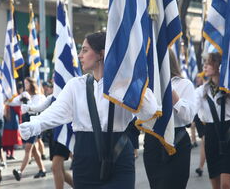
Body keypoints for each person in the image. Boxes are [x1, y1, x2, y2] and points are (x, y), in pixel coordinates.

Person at [19, 32, 159, 188]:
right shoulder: (75, 86)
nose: (80, 55)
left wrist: (130, 80)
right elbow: (57, 111)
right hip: (85, 158)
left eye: (85, 50)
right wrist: (36, 124)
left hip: (119, 155)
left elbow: (149, 111)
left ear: (101, 54)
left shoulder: (124, 84)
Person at [143, 50, 197, 189]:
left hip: (177, 139)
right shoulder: (146, 86)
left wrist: (169, 91)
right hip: (153, 139)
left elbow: (188, 117)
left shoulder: (184, 84)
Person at [195, 53, 230, 189]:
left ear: (219, 66)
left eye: (209, 63)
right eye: (204, 63)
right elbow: (193, 110)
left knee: (226, 185)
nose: (205, 66)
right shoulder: (201, 90)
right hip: (211, 135)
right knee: (216, 185)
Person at [10, 77, 47, 181]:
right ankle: (42, 169)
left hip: (34, 124)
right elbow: (11, 102)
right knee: (34, 151)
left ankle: (20, 171)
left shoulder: (39, 96)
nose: (25, 85)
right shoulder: (24, 95)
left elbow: (42, 107)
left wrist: (29, 103)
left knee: (28, 149)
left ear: (32, 84)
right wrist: (20, 98)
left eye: (27, 83)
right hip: (26, 124)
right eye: (24, 83)